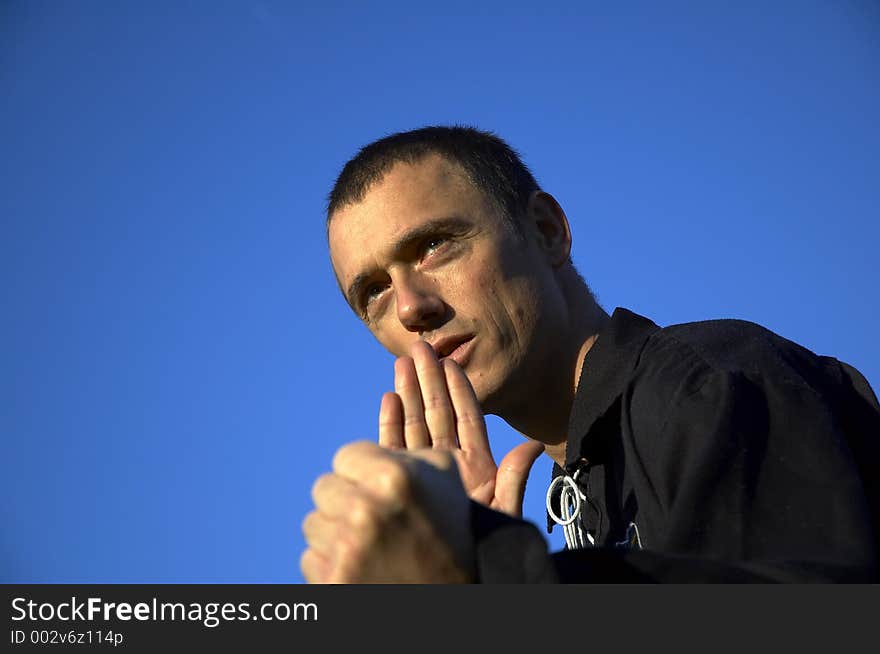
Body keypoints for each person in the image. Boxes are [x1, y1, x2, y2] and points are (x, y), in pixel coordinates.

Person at [300, 125, 880, 583]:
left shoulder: (708, 383)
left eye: (433, 246)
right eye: (373, 291)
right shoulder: (581, 499)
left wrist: (494, 580)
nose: (408, 308)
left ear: (548, 231)